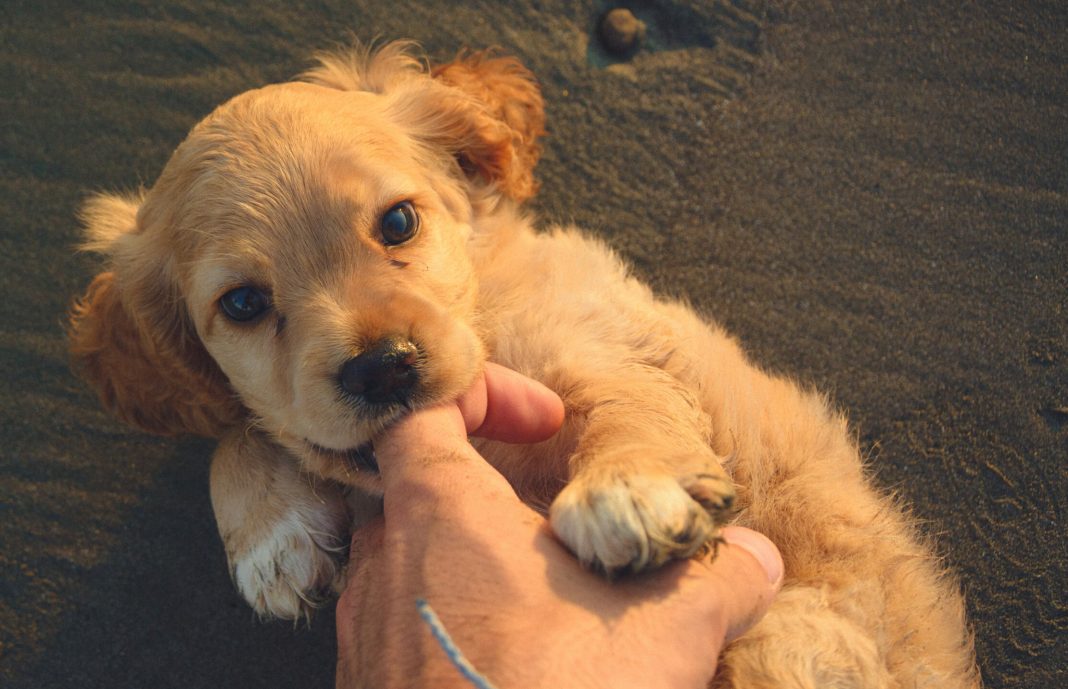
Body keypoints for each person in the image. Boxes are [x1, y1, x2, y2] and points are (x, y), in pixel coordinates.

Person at [336, 363, 784, 689]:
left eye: (397, 228)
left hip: (806, 592)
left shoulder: (534, 295)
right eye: (259, 306)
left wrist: (624, 458)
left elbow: (622, 381)